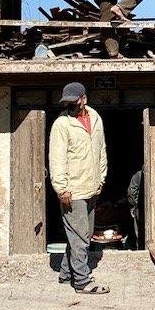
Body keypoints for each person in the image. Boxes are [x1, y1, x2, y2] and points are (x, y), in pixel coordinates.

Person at [48, 82, 108, 294]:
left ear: (84, 99)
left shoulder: (96, 118)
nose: (70, 107)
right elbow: (57, 159)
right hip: (72, 191)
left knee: (82, 234)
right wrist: (62, 188)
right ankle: (82, 281)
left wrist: (101, 178)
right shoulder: (62, 125)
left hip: (91, 187)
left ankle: (66, 273)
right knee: (81, 236)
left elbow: (101, 150)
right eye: (67, 103)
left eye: (73, 102)